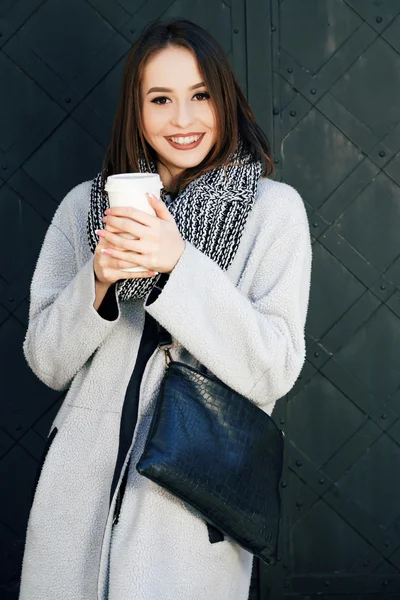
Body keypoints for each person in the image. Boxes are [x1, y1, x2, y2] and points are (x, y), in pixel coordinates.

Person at [19, 18, 312, 600]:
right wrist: (98, 281)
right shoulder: (85, 207)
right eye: (161, 99)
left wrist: (178, 267)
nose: (183, 120)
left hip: (187, 513)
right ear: (137, 108)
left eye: (200, 96)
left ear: (224, 99)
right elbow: (46, 362)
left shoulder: (274, 213)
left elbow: (275, 369)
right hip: (75, 502)